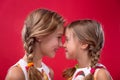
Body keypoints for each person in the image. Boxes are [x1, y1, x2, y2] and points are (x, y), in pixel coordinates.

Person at [5, 8, 65, 80]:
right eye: (58, 37)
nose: (61, 44)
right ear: (40, 36)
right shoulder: (17, 74)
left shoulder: (49, 72)